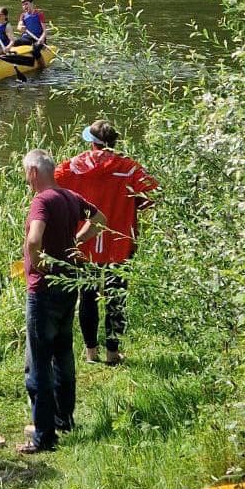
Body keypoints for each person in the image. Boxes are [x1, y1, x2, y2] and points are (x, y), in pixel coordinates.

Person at [18, 151, 107, 455]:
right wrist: (76, 242)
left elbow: (34, 238)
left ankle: (44, 436)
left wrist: (39, 261)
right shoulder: (69, 196)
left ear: (33, 172)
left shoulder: (42, 200)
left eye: (25, 174)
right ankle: (63, 419)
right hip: (68, 286)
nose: (26, 180)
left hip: (43, 290)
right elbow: (100, 219)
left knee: (38, 362)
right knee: (63, 352)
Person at [55, 120, 158, 365]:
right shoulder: (130, 169)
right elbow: (150, 197)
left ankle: (91, 352)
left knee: (87, 295)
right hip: (119, 243)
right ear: (114, 142)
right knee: (116, 296)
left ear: (92, 142)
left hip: (84, 242)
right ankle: (113, 352)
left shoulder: (72, 167)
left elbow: (50, 189)